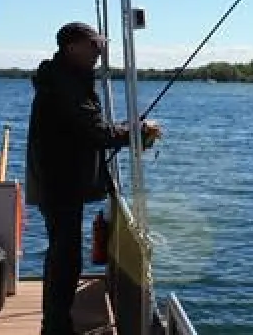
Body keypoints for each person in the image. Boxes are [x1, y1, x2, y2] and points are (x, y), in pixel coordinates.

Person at [25, 21, 160, 335]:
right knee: (65, 260)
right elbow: (96, 131)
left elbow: (89, 127)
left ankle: (57, 325)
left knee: (65, 257)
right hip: (61, 185)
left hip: (60, 182)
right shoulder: (65, 84)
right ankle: (55, 328)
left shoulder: (64, 79)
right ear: (71, 47)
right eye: (94, 44)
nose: (100, 50)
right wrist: (137, 132)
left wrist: (128, 129)